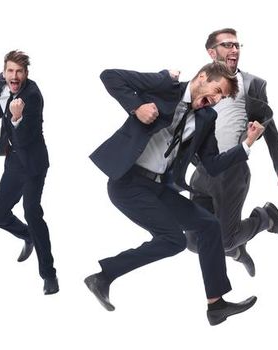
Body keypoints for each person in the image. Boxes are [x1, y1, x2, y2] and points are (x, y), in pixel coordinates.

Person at [84, 62, 259, 326]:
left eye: (221, 98)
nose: (215, 100)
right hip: (127, 183)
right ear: (202, 77)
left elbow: (211, 164)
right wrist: (137, 107)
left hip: (158, 187)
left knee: (209, 226)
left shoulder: (206, 117)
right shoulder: (166, 87)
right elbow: (109, 77)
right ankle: (105, 275)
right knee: (174, 240)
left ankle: (216, 305)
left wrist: (245, 145)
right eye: (217, 90)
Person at [183, 28, 278, 277]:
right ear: (212, 52)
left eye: (237, 45)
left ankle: (267, 218)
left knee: (223, 238)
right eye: (226, 45)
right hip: (203, 170)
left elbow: (271, 129)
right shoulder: (199, 81)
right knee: (192, 241)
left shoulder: (252, 84)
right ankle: (237, 252)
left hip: (232, 171)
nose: (234, 49)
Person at [0, 50, 57, 294]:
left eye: (19, 72)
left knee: (32, 213)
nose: (13, 76)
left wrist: (16, 118)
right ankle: (28, 237)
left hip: (33, 162)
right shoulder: (1, 81)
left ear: (26, 73)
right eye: (10, 71)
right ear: (4, 71)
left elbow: (27, 138)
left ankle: (49, 275)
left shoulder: (33, 97)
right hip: (13, 162)